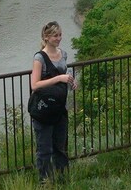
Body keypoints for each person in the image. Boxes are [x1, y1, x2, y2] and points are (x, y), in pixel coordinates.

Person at [30, 21, 77, 184]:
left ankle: (63, 180)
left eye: (60, 35)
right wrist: (58, 78)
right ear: (46, 37)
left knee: (60, 147)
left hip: (60, 109)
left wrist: (71, 82)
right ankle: (45, 182)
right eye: (55, 35)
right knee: (44, 149)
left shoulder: (63, 54)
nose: (59, 38)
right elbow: (34, 85)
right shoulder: (39, 58)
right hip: (43, 111)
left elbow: (65, 76)